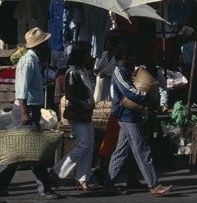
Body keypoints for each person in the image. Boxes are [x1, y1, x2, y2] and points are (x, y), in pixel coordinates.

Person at [102, 44, 172, 197]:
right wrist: (148, 97)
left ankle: (108, 184)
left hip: (131, 114)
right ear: (124, 57)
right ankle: (153, 185)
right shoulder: (118, 72)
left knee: (121, 151)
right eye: (131, 55)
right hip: (127, 116)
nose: (134, 58)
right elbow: (129, 91)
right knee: (142, 149)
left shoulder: (127, 71)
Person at [0, 27, 62, 199]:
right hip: (25, 109)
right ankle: (45, 188)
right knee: (33, 152)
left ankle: (2, 184)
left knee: (21, 151)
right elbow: (22, 89)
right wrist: (25, 112)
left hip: (29, 108)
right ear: (40, 45)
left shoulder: (33, 60)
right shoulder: (28, 61)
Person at [51, 41, 96, 192]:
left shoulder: (83, 70)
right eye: (87, 54)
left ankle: (82, 179)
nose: (89, 57)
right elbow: (69, 95)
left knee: (89, 146)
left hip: (85, 112)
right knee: (83, 145)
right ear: (80, 56)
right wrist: (84, 103)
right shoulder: (72, 72)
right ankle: (57, 170)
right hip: (77, 113)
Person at [93, 33, 118, 102]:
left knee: (110, 99)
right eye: (107, 44)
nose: (108, 46)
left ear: (114, 45)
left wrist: (107, 75)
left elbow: (117, 71)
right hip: (101, 82)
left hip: (112, 82)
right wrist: (97, 72)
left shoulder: (117, 57)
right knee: (99, 99)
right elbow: (95, 68)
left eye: (110, 44)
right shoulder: (102, 54)